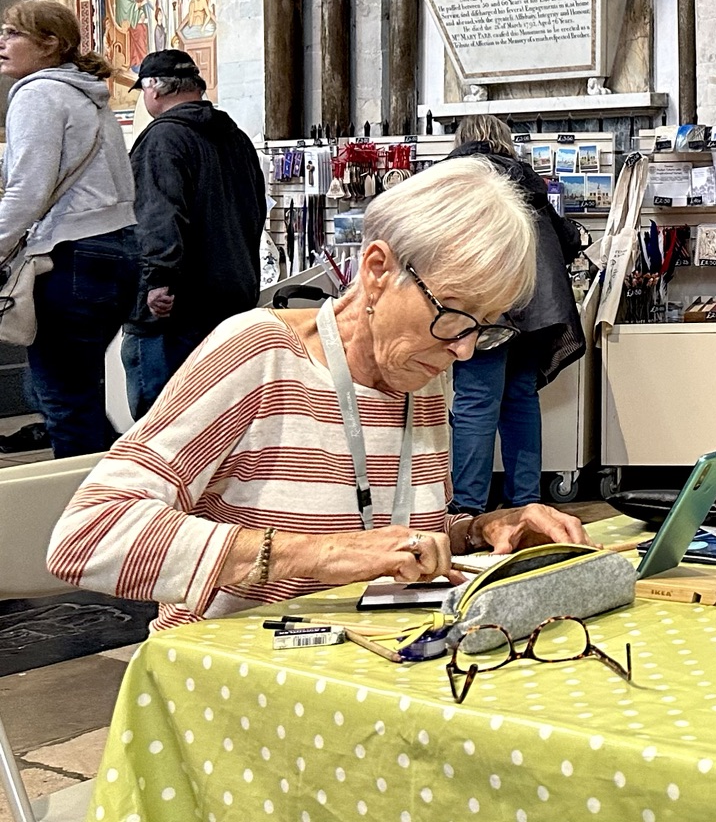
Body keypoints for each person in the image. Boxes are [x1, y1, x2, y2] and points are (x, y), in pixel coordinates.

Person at [47, 158, 587, 630]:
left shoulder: (419, 374)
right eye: (453, 313)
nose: (465, 350)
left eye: (485, 326)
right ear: (377, 271)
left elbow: (386, 533)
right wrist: (322, 555)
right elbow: (90, 534)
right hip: (235, 674)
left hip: (366, 665)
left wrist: (479, 531)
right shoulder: (261, 354)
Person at [0, 1, 139, 457]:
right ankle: (123, 490)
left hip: (72, 255)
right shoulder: (87, 94)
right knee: (82, 399)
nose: (2, 42)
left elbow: (27, 192)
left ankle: (90, 503)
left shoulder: (38, 93)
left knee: (65, 404)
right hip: (118, 252)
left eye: (13, 33)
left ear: (50, 44)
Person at [445, 116, 588, 512]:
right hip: (536, 311)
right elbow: (568, 240)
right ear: (505, 141)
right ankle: (526, 502)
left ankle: (467, 508)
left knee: (476, 401)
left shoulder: (456, 179)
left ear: (462, 140)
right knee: (520, 399)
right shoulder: (527, 181)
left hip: (485, 307)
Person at [123, 49, 266, 419]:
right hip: (231, 304)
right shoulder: (237, 139)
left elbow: (158, 214)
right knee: (217, 420)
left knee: (161, 423)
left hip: (174, 311)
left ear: (154, 87)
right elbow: (255, 213)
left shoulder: (162, 139)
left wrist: (158, 279)